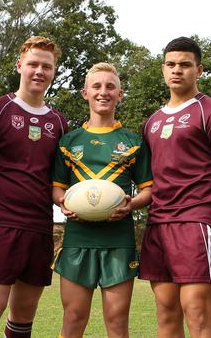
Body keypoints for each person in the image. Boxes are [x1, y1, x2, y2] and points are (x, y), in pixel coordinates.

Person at [140, 37, 211, 337]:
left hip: (197, 225)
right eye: (171, 64)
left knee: (197, 315)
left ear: (199, 70)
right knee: (166, 315)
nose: (177, 70)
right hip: (159, 225)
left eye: (185, 65)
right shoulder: (153, 122)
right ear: (163, 69)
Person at [0, 36, 68, 338]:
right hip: (0, 226)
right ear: (19, 65)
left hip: (39, 228)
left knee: (23, 318)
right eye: (33, 64)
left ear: (53, 72)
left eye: (46, 66)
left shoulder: (59, 122)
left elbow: (58, 181)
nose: (39, 71)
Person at [51, 62, 153, 338]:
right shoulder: (68, 142)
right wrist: (63, 202)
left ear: (120, 95)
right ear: (85, 93)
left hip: (117, 241)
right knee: (73, 319)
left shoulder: (134, 142)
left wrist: (131, 204)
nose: (103, 92)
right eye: (96, 86)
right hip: (77, 240)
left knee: (117, 322)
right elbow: (56, 188)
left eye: (111, 87)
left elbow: (148, 190)